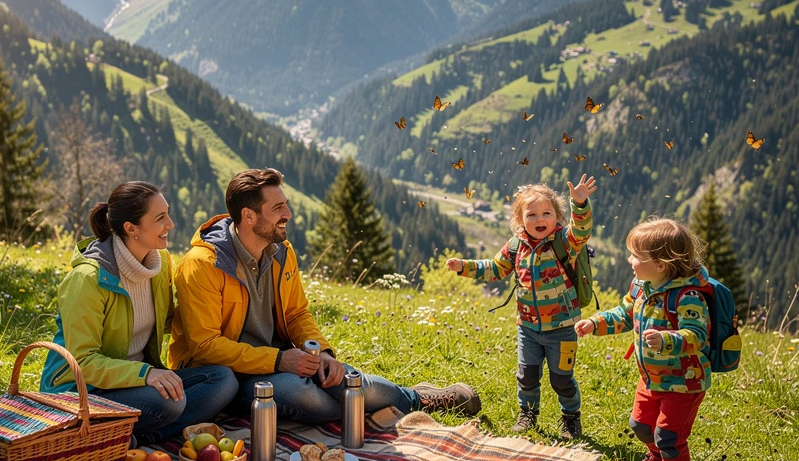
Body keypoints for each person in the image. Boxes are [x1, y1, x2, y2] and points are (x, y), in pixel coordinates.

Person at [169, 168, 480, 423]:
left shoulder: (281, 252)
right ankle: (372, 405)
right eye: (278, 208)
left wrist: (322, 353)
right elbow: (205, 346)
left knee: (348, 382)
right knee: (303, 395)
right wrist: (279, 360)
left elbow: (296, 314)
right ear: (249, 216)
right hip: (226, 375)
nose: (288, 214)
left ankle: (416, 397)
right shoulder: (202, 265)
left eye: (286, 204)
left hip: (279, 359)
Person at [40, 182, 238, 444]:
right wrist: (145, 374)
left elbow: (166, 321)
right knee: (169, 402)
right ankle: (128, 436)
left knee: (223, 380)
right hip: (82, 390)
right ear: (131, 228)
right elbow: (83, 362)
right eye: (160, 218)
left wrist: (213, 307)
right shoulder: (87, 279)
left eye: (167, 214)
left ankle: (137, 438)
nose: (170, 224)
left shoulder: (160, 263)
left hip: (136, 382)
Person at [446, 176, 596, 440]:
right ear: (520, 219)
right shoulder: (516, 246)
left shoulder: (565, 241)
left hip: (562, 327)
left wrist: (580, 204)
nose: (540, 219)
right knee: (527, 375)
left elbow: (581, 231)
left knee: (562, 379)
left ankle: (571, 418)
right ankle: (528, 414)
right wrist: (463, 267)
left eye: (547, 213)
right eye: (532, 214)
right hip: (528, 328)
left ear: (557, 216)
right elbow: (494, 269)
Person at [575, 218, 712, 461]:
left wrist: (667, 340)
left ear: (660, 265)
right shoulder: (642, 287)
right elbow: (625, 314)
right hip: (651, 378)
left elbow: (697, 335)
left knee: (669, 436)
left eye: (636, 256)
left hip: (683, 382)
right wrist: (595, 323)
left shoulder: (687, 297)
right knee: (639, 425)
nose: (630, 260)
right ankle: (657, 457)